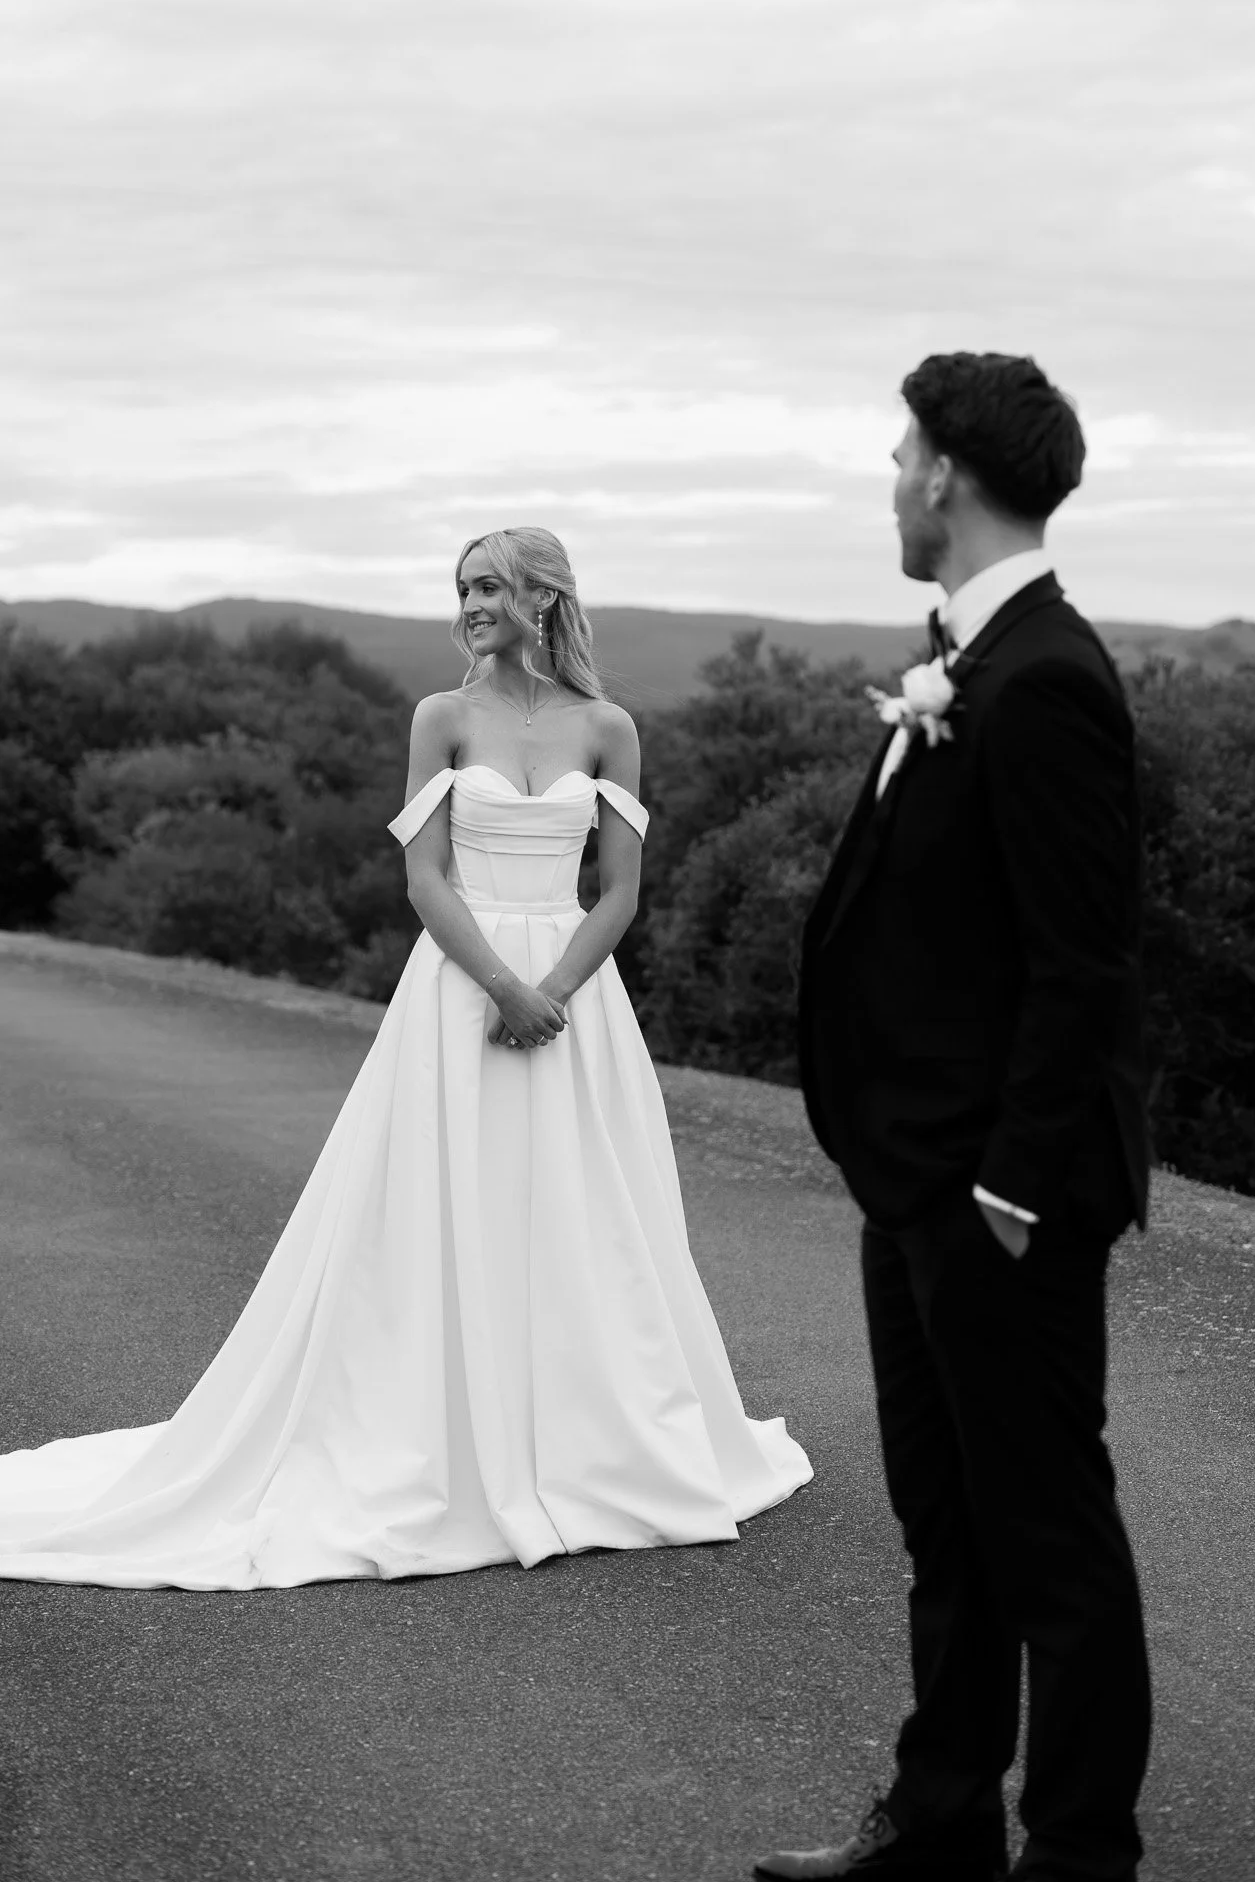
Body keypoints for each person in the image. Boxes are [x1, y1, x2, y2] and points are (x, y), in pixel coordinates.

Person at [0, 525, 811, 1588]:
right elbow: (426, 879)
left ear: (543, 597)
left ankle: (597, 1438)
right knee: (450, 1203)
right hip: (460, 984)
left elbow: (619, 889)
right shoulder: (441, 716)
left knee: (587, 1212)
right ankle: (446, 1439)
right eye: (463, 587)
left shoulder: (611, 728)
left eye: (489, 586)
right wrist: (503, 986)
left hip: (576, 996)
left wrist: (552, 991)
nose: (470, 603)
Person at [756, 356, 1151, 1882]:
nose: (888, 472)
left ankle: (1077, 1850)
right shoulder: (962, 665)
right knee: (947, 1520)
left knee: (1048, 1533)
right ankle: (938, 1822)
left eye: (901, 450)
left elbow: (1085, 962)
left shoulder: (1043, 678)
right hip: (916, 1181)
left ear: (947, 478)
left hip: (1001, 1196)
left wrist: (1010, 1187)